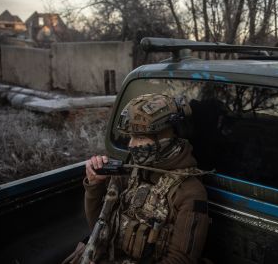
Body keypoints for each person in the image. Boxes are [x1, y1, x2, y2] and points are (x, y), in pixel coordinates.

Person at [63, 94, 210, 264]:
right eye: (131, 137)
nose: (130, 145)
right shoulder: (130, 171)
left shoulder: (190, 191)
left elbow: (180, 259)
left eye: (140, 137)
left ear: (165, 139)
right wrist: (95, 185)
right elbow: (99, 226)